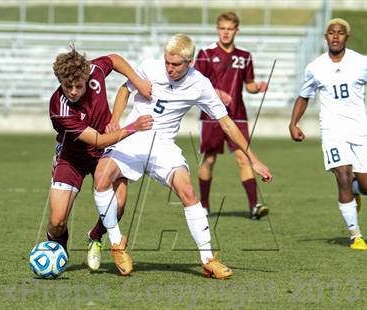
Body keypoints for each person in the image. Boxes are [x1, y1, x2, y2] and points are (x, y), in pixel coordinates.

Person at [88, 34, 273, 279]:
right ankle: (116, 243)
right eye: (167, 62)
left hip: (163, 144)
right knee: (102, 177)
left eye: (175, 65)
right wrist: (114, 121)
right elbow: (124, 91)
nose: (169, 68)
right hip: (133, 137)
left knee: (187, 191)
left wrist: (254, 159)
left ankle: (208, 259)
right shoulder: (150, 67)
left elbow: (227, 124)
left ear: (190, 62)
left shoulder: (200, 84)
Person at [46, 46, 153, 257]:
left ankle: (95, 236)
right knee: (57, 221)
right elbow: (99, 140)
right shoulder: (59, 108)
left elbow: (114, 59)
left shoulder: (94, 70)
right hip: (73, 156)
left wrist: (138, 82)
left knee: (119, 205)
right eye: (68, 86)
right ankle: (57, 253)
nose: (73, 91)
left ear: (87, 78)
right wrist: (132, 127)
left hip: (108, 151)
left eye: (78, 86)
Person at [289, 18, 367, 250]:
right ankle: (356, 236)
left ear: (346, 37)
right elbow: (304, 96)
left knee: (364, 185)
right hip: (332, 130)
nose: (335, 36)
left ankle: (356, 190)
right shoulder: (315, 67)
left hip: (360, 130)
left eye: (340, 33)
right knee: (342, 175)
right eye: (331, 33)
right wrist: (293, 123)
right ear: (326, 37)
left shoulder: (361, 62)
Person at [194, 12, 268, 219]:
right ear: (217, 29)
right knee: (208, 160)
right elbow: (196, 84)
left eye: (230, 29)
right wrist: (217, 93)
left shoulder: (244, 56)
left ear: (237, 30)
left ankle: (254, 206)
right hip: (211, 116)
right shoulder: (205, 53)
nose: (226, 33)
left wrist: (258, 87)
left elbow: (249, 85)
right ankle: (205, 206)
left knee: (243, 158)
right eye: (222, 28)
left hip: (237, 115)